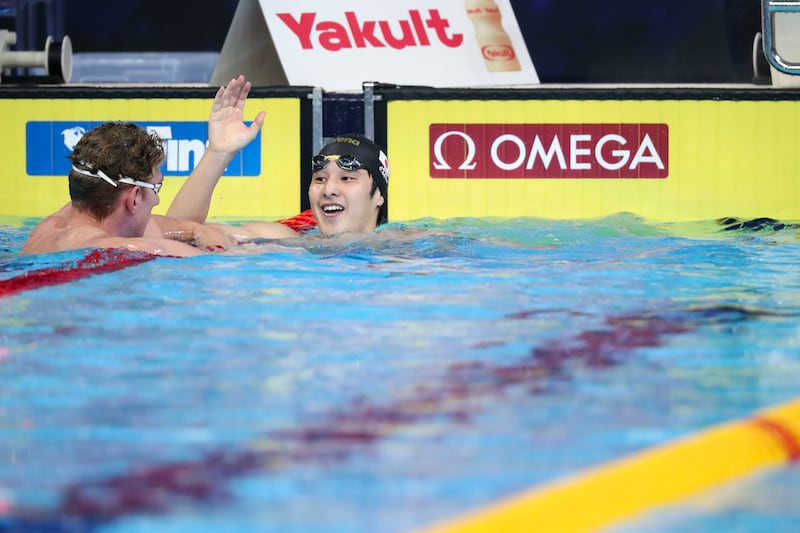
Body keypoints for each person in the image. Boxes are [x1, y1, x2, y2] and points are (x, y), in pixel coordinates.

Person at [21, 76, 295, 257]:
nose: (159, 198)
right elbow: (175, 253)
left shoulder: (78, 217)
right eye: (157, 187)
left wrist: (218, 152)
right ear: (133, 198)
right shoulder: (90, 246)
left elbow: (183, 228)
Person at [168, 134, 390, 237]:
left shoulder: (408, 248)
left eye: (347, 178)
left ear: (379, 194)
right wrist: (218, 153)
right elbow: (176, 231)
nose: (328, 190)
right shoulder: (286, 243)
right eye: (320, 179)